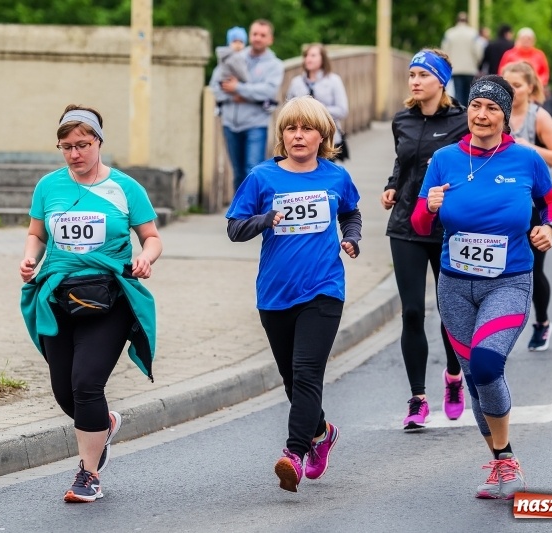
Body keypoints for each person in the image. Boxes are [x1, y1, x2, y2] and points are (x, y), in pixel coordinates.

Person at [411, 75, 552, 499]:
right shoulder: (443, 160)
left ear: (504, 116)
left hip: (509, 282)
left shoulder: (527, 160)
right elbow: (421, 224)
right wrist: (430, 205)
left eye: (492, 108)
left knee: (487, 364)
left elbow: (551, 202)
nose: (481, 114)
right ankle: (501, 459)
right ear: (468, 110)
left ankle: (505, 458)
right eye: (476, 105)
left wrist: (548, 227)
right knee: (476, 377)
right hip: (455, 286)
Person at [19, 104, 163, 503]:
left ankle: (88, 475)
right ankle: (105, 422)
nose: (74, 153)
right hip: (57, 296)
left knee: (86, 384)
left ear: (99, 142)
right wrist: (30, 257)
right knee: (66, 393)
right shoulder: (48, 186)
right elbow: (37, 234)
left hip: (109, 297)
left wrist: (145, 258)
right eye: (65, 146)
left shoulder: (125, 188)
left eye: (82, 144)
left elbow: (152, 237)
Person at [226, 95, 361, 493]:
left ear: (323, 136)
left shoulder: (336, 177)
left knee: (306, 374)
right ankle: (322, 432)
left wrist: (351, 238)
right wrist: (265, 219)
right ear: (281, 136)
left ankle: (294, 454)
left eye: (307, 129)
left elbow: (351, 212)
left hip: (323, 290)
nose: (298, 135)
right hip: (275, 295)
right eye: (291, 128)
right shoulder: (262, 178)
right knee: (291, 379)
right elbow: (234, 228)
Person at [380, 49, 469, 430]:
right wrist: (391, 186)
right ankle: (417, 398)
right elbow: (404, 161)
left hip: (448, 227)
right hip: (406, 227)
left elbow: (479, 160)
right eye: (411, 74)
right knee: (413, 311)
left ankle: (453, 377)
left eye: (422, 75)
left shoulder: (464, 120)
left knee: (450, 312)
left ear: (441, 81)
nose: (414, 81)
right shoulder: (402, 119)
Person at [502, 61, 552, 351]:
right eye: (507, 86)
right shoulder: (495, 113)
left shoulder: (537, 117)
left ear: (530, 87)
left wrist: (531, 148)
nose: (511, 91)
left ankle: (541, 322)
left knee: (531, 268)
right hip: (502, 206)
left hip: (534, 207)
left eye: (516, 85)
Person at [211, 19, 284, 192]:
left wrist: (238, 89)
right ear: (249, 36)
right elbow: (216, 86)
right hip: (230, 123)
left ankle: (254, 213)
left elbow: (267, 92)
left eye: (262, 35)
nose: (258, 38)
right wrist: (240, 95)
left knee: (252, 169)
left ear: (270, 39)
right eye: (255, 34)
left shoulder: (275, 65)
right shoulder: (233, 57)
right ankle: (240, 215)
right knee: (237, 172)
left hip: (255, 124)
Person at [285, 43, 349, 161]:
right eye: (306, 56)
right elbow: (288, 109)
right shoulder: (296, 82)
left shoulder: (333, 81)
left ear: (322, 59)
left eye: (313, 55)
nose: (308, 59)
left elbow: (342, 110)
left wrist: (316, 110)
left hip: (327, 137)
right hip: (301, 138)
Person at [441, 12, 483, 105]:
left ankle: (460, 114)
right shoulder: (473, 33)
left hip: (456, 69)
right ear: (467, 20)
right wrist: (477, 63)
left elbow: (444, 51)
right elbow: (478, 51)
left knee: (458, 94)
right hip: (470, 69)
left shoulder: (449, 33)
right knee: (469, 95)